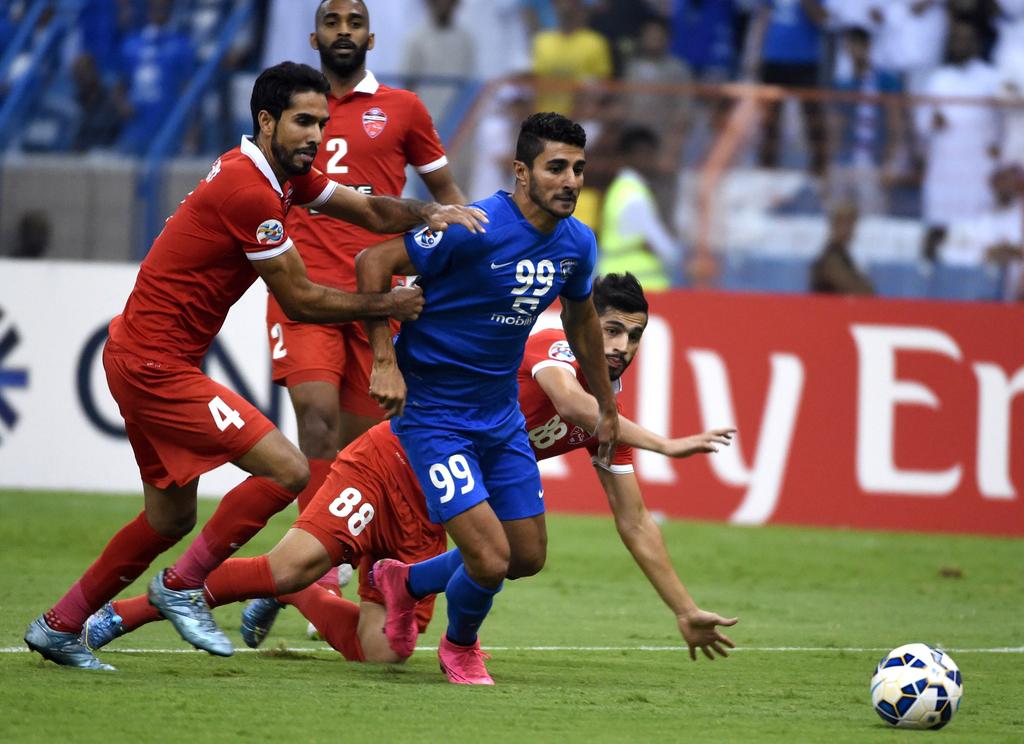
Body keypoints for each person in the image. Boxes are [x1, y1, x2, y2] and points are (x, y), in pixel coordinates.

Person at [23, 61, 487, 672]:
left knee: (169, 518)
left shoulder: (281, 177)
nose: (317, 135)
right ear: (266, 122)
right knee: (288, 468)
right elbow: (300, 299)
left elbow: (368, 212)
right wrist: (390, 302)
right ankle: (185, 585)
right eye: (303, 122)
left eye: (322, 123)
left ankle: (58, 626)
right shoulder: (250, 191)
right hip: (153, 364)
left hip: (145, 356)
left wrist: (429, 214)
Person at [84, 274, 739, 668]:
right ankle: (126, 612)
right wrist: (670, 445)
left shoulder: (607, 418)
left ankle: (326, 595)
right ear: (586, 325)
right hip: (393, 464)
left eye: (634, 336)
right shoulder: (555, 350)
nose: (621, 346)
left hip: (441, 507)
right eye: (613, 329)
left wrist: (683, 610)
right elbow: (565, 396)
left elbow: (637, 525)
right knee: (290, 562)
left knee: (384, 652)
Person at [357, 111, 619, 685]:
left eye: (578, 169)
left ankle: (407, 581)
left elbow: (581, 323)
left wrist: (606, 404)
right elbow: (372, 262)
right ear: (522, 172)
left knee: (526, 557)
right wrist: (384, 362)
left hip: (499, 414)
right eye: (557, 168)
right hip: (432, 414)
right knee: (491, 558)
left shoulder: (578, 243)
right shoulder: (471, 226)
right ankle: (459, 647)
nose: (571, 180)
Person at [266, 0, 466, 591]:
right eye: (333, 22)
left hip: (378, 303)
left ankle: (353, 564)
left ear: (371, 38)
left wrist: (461, 253)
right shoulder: (291, 113)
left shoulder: (403, 109)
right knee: (317, 421)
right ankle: (314, 574)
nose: (344, 31)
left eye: (354, 22)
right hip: (304, 295)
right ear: (315, 35)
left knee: (362, 452)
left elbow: (446, 193)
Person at [916, 21, 1002, 262]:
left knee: (977, 234)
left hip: (978, 169)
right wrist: (932, 121)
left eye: (966, 39)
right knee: (937, 231)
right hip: (945, 167)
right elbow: (921, 122)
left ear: (976, 44)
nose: (960, 44)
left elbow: (1005, 118)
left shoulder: (991, 77)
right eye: (956, 39)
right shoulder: (938, 79)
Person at [744, 0, 829, 177]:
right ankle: (766, 168)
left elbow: (821, 18)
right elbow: (763, 18)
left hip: (805, 59)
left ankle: (819, 170)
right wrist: (756, 53)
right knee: (770, 119)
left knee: (812, 117)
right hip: (773, 57)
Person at [828, 26, 902, 215]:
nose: (853, 50)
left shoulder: (885, 80)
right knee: (837, 214)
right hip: (844, 160)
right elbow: (836, 125)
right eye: (849, 46)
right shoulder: (842, 83)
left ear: (868, 47)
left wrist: (891, 161)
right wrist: (830, 162)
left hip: (872, 162)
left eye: (857, 45)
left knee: (872, 220)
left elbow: (895, 122)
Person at [598, 126, 681, 291]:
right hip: (639, 288)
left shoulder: (620, 189)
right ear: (630, 156)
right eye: (647, 154)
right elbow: (665, 249)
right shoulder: (634, 195)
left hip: (619, 284)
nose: (652, 160)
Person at [531, 0, 613, 115]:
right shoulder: (541, 41)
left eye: (571, 3)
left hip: (581, 118)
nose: (565, 7)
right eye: (560, 3)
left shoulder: (595, 42)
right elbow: (531, 80)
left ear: (579, 7)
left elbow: (602, 84)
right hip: (544, 117)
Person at [808, 201, 874, 294]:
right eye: (846, 224)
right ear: (835, 225)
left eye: (852, 225)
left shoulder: (845, 256)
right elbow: (855, 289)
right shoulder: (830, 259)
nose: (851, 230)